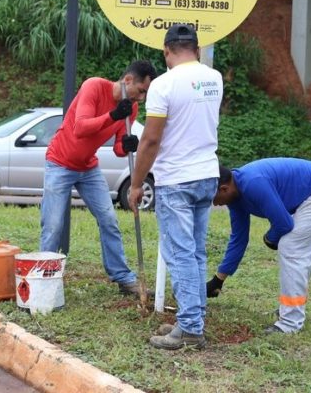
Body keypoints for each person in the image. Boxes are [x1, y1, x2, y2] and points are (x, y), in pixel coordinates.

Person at [128, 24, 223, 351]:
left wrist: (137, 183)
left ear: (166, 51)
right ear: (196, 50)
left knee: (180, 253)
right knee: (195, 251)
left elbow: (151, 139)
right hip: (207, 175)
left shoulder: (164, 85)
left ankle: (192, 328)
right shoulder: (215, 78)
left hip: (177, 179)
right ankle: (191, 319)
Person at [40, 60, 157, 297]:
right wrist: (113, 115)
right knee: (53, 226)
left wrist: (127, 144)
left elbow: (118, 149)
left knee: (109, 219)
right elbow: (81, 128)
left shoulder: (130, 108)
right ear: (127, 81)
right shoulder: (94, 87)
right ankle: (45, 278)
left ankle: (123, 278)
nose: (141, 98)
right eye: (141, 91)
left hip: (88, 168)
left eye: (146, 93)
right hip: (59, 163)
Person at [207, 158, 311, 334]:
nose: (214, 204)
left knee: (291, 246)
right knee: (297, 247)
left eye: (213, 198)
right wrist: (218, 280)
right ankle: (289, 311)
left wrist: (270, 238)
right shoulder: (235, 197)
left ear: (224, 188)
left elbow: (283, 224)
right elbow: (239, 239)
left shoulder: (252, 183)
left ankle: (290, 322)